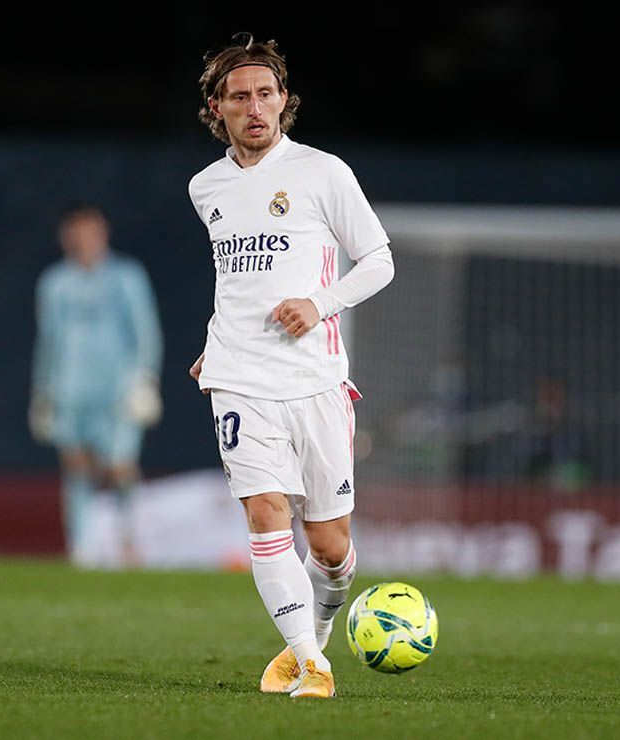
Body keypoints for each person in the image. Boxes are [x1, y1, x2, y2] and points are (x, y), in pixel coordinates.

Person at [187, 34, 395, 699]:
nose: (255, 108)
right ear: (217, 108)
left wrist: (318, 304)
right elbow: (237, 281)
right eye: (240, 97)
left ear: (284, 101)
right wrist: (218, 342)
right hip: (238, 379)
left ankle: (317, 631)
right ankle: (311, 663)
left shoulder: (322, 172)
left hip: (315, 380)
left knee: (329, 548)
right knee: (265, 512)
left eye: (266, 94)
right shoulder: (206, 187)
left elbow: (379, 261)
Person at [30, 204, 163, 566]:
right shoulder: (55, 283)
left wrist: (146, 378)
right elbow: (48, 341)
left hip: (118, 389)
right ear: (66, 239)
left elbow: (145, 329)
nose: (85, 241)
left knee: (120, 467)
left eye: (91, 234)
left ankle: (128, 539)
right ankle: (82, 546)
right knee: (77, 467)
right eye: (78, 235)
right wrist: (42, 392)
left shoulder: (126, 277)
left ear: (103, 235)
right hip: (70, 389)